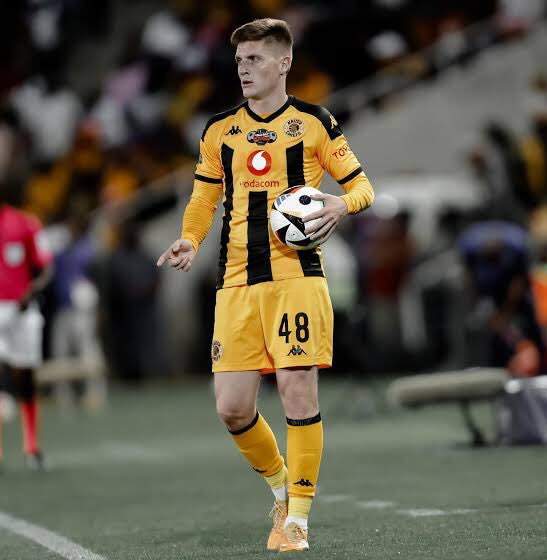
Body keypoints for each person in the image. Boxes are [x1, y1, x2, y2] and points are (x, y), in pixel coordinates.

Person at [157, 18, 374, 552]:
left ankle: (297, 519)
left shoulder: (315, 122)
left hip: (296, 279)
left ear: (284, 62)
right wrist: (189, 239)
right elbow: (204, 197)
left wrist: (342, 205)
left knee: (297, 391)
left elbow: (362, 186)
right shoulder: (219, 130)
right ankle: (280, 490)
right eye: (239, 61)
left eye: (254, 59)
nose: (244, 69)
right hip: (235, 283)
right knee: (232, 408)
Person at [0, 189, 53, 469]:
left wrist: (31, 291)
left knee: (25, 378)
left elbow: (46, 268)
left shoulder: (26, 223)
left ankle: (31, 446)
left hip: (21, 310)